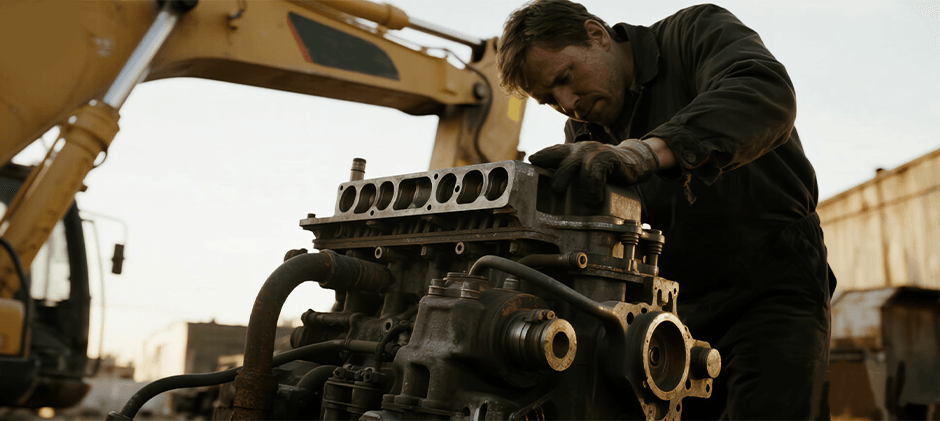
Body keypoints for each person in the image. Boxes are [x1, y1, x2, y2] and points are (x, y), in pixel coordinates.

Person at [497, 1, 835, 419]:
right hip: (679, 309)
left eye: (566, 78)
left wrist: (648, 152)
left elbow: (763, 93)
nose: (568, 102)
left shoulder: (694, 33)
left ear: (596, 35)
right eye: (550, 99)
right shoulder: (584, 133)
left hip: (774, 282)